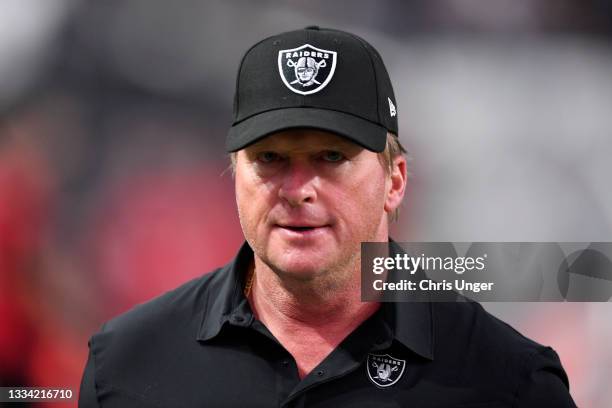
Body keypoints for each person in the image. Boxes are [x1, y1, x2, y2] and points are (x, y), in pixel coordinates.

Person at [79, 26, 576, 407]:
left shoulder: (509, 383)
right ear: (235, 176)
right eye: (270, 159)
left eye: (331, 157)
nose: (298, 190)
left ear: (395, 180)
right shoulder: (125, 364)